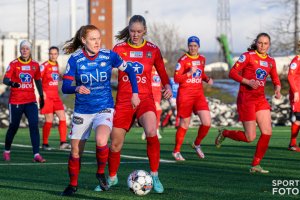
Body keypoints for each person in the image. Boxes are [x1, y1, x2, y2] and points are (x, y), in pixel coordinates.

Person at [60, 25, 140, 196]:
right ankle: (73, 185)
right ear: (83, 40)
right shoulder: (75, 59)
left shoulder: (109, 55)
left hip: (104, 107)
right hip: (82, 111)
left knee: (102, 139)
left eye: (99, 38)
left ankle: (100, 173)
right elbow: (65, 86)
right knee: (75, 151)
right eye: (92, 39)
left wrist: (135, 93)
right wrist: (77, 88)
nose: (97, 42)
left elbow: (131, 70)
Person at [96, 15, 172, 194]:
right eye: (132, 31)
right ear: (128, 30)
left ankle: (154, 175)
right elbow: (106, 70)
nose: (135, 34)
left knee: (152, 132)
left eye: (139, 31)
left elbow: (162, 72)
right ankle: (112, 177)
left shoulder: (152, 50)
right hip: (124, 100)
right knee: (115, 144)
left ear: (145, 30)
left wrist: (167, 86)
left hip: (145, 99)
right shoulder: (119, 49)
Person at [215, 32, 281, 173]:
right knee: (250, 137)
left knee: (267, 132)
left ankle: (255, 165)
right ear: (256, 43)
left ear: (269, 45)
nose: (262, 46)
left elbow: (276, 79)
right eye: (260, 43)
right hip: (246, 99)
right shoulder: (248, 56)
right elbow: (232, 73)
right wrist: (247, 81)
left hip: (261, 100)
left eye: (265, 43)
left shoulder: (270, 61)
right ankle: (225, 133)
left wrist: (278, 89)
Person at [2, 40, 46, 163]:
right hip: (16, 101)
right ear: (20, 50)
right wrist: (12, 83)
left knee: (34, 125)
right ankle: (6, 150)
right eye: (23, 48)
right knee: (13, 126)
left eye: (27, 48)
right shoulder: (14, 64)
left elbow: (37, 80)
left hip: (31, 100)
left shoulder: (35, 65)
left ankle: (36, 154)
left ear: (30, 50)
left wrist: (41, 96)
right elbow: (5, 80)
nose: (25, 50)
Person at [172, 36, 213, 161]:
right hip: (185, 95)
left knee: (207, 122)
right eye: (191, 45)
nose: (193, 48)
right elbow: (176, 79)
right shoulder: (183, 60)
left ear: (198, 46)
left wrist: (207, 79)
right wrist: (189, 73)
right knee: (185, 123)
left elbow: (201, 73)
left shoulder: (202, 59)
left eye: (195, 45)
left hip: (199, 95)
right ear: (188, 46)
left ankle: (197, 144)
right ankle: (177, 151)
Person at [40, 46, 71, 150]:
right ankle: (45, 144)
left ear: (57, 54)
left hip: (55, 96)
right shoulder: (44, 65)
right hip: (47, 97)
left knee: (63, 117)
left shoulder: (56, 64)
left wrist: (62, 76)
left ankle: (63, 143)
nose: (53, 56)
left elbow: (55, 77)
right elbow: (37, 79)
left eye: (55, 54)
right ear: (49, 54)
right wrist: (41, 93)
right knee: (49, 120)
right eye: (51, 54)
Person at [141, 67, 162, 140]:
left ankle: (147, 130)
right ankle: (155, 130)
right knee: (157, 110)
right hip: (150, 93)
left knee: (155, 111)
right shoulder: (148, 69)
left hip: (158, 94)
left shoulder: (160, 70)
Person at [287, 42, 300, 152]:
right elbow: (290, 76)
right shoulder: (297, 60)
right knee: (299, 118)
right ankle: (292, 144)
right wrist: (295, 92)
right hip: (298, 94)